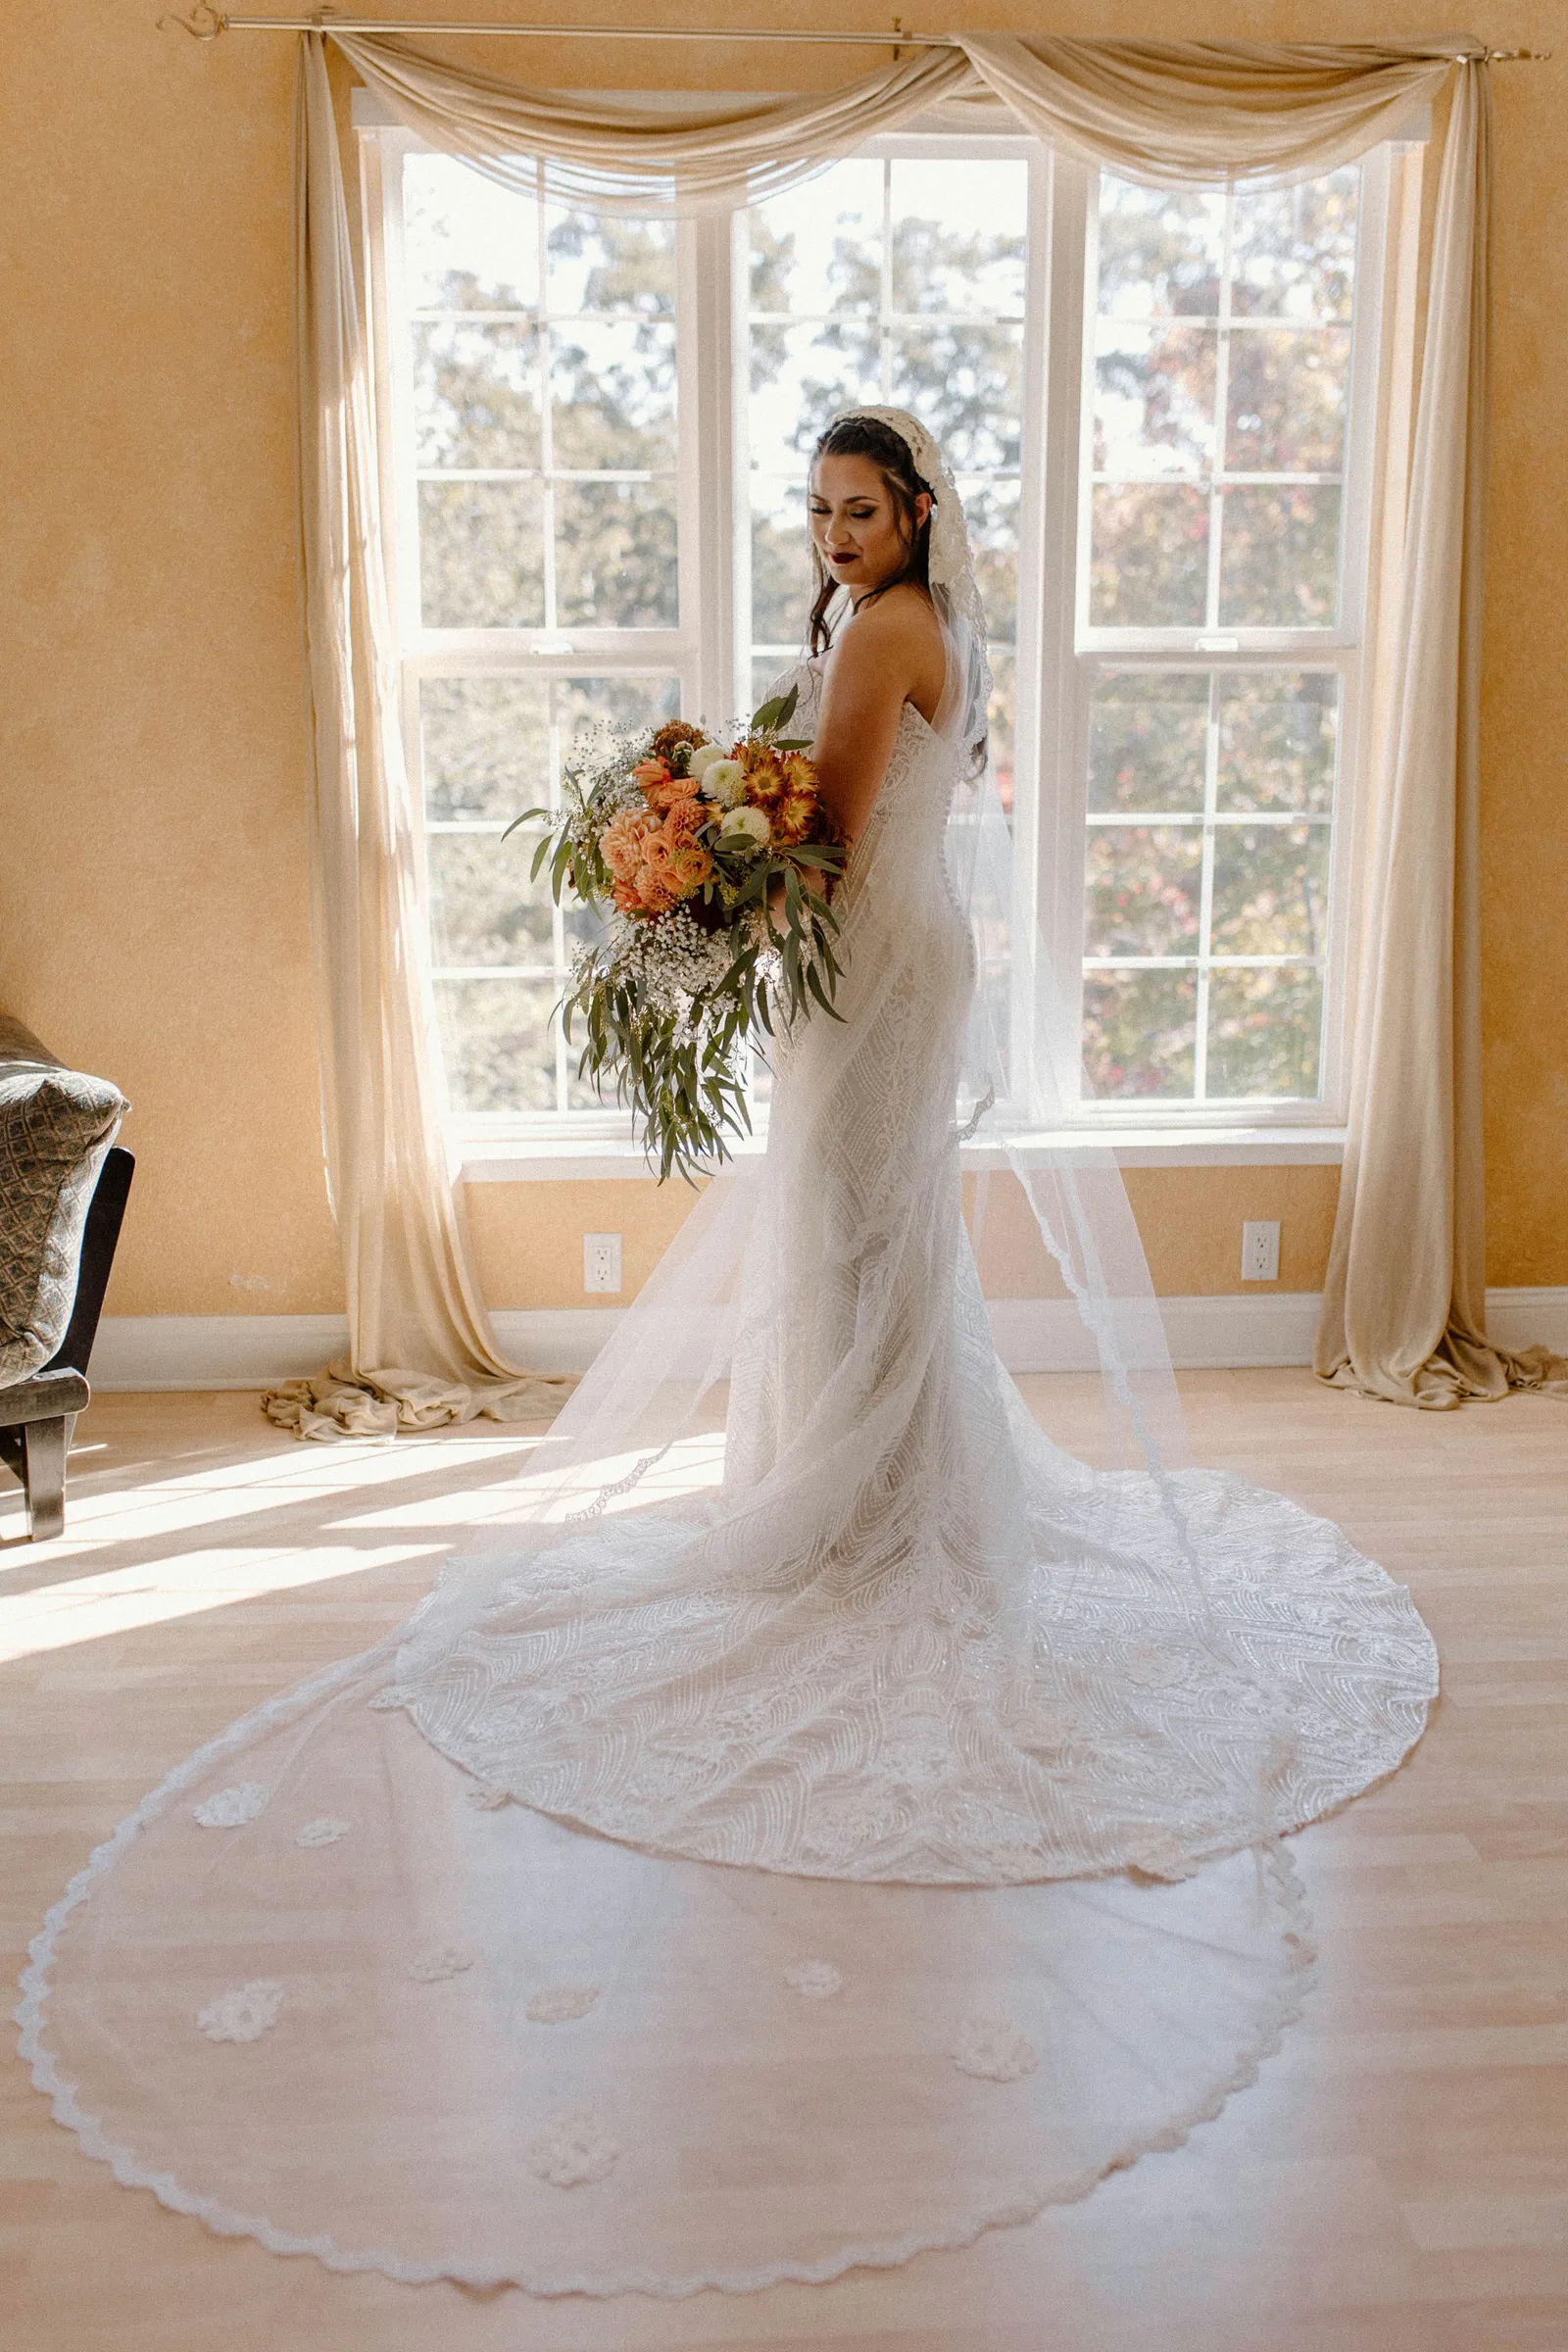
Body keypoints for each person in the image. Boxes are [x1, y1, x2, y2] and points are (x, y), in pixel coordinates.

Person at [20, 409, 1439, 2297]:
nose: (839, 539)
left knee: (856, 1235)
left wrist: (699, 878)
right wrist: (715, 828)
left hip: (871, 973)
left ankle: (872, 1511)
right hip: (883, 969)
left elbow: (835, 844)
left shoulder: (891, 629)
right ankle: (860, 1487)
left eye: (863, 512)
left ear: (917, 511)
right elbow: (862, 809)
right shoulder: (910, 624)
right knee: (864, 1243)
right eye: (826, 515)